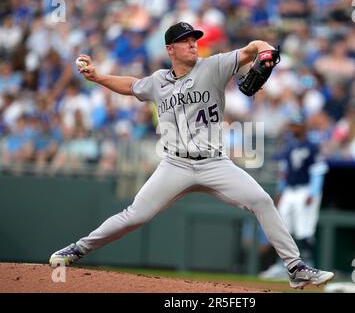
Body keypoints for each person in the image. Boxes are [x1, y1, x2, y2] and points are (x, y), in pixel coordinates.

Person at [49, 22, 334, 289]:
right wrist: (97, 77)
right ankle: (77, 249)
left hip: (215, 163)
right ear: (170, 50)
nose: (192, 44)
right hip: (174, 163)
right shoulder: (158, 81)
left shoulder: (214, 66)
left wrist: (264, 49)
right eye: (184, 41)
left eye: (193, 40)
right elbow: (131, 85)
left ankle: (295, 268)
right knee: (134, 215)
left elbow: (251, 48)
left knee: (261, 200)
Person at [259, 111, 328, 279]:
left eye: (295, 125)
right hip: (290, 190)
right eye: (291, 125)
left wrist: (313, 192)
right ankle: (281, 266)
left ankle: (309, 264)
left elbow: (318, 171)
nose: (292, 128)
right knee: (281, 228)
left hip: (305, 189)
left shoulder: (312, 146)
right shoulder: (289, 145)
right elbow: (284, 172)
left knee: (305, 229)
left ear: (303, 126)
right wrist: (280, 191)